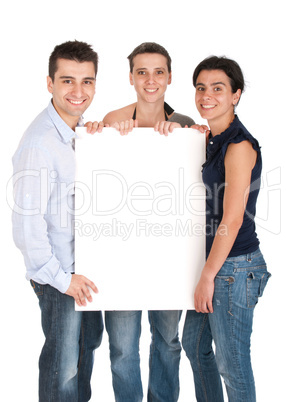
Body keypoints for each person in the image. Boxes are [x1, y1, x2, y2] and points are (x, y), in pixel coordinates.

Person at [101, 42, 222, 402]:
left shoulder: (186, 125)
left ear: (169, 77)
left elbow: (200, 186)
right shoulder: (112, 121)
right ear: (131, 78)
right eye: (142, 72)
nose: (150, 80)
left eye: (158, 72)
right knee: (122, 347)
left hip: (169, 257)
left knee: (167, 341)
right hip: (121, 255)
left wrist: (196, 138)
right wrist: (99, 132)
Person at [12, 40, 104, 402]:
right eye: (67, 80)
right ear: (49, 83)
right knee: (62, 370)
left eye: (87, 81)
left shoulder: (78, 131)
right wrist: (61, 280)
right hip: (60, 278)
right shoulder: (40, 143)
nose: (78, 91)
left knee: (84, 356)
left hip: (84, 273)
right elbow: (26, 227)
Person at [182, 56, 271, 402]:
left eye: (218, 88)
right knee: (194, 345)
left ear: (235, 95)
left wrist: (207, 276)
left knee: (232, 364)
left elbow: (232, 220)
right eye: (201, 87)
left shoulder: (239, 146)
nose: (207, 95)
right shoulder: (214, 138)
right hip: (218, 265)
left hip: (234, 267)